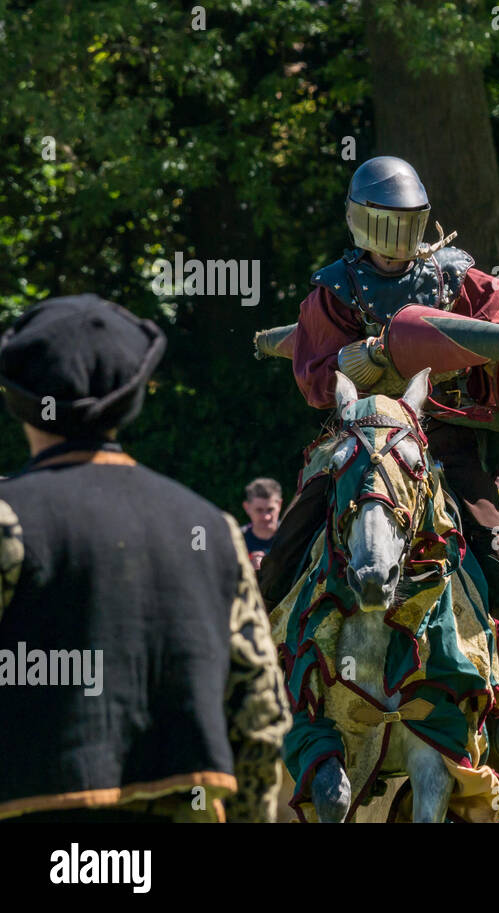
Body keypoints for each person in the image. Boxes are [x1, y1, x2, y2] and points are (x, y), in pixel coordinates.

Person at [257, 154, 499, 759]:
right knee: (288, 544)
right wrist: (353, 360)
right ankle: (261, 678)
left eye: (405, 224)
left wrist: (455, 348)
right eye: (385, 225)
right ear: (362, 223)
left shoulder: (459, 278)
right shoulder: (335, 289)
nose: (395, 243)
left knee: (497, 555)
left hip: (443, 443)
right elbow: (313, 374)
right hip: (361, 441)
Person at [0, 295, 291, 822]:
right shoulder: (213, 530)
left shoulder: (8, 520)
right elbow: (259, 711)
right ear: (132, 399)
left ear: (19, 399)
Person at [240, 477, 281, 570]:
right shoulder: (236, 541)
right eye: (259, 510)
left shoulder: (292, 536)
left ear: (279, 505)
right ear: (247, 507)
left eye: (270, 510)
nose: (266, 517)